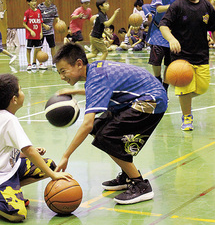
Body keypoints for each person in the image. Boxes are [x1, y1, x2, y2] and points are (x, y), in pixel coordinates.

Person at [53, 42, 167, 204]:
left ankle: (140, 185)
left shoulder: (96, 78)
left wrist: (66, 156)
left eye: (63, 71)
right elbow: (103, 88)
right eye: (59, 73)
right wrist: (74, 91)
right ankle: (128, 175)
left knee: (107, 136)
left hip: (151, 101)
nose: (62, 77)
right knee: (99, 128)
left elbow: (86, 124)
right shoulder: (96, 70)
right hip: (144, 96)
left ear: (79, 64)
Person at [0, 73, 72, 222]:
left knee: (50, 165)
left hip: (8, 167)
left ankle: (12, 193)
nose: (23, 92)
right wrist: (52, 175)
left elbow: (6, 151)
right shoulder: (8, 120)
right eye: (21, 90)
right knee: (17, 215)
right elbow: (29, 150)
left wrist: (24, 154)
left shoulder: (1, 115)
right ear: (14, 99)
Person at [160, 0, 215, 131]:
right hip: (181, 58)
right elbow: (164, 26)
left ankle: (183, 96)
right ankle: (186, 116)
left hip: (201, 55)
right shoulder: (177, 6)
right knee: (185, 88)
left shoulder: (207, 6)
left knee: (202, 87)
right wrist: (171, 39)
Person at [147, 0, 183, 93]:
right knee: (156, 59)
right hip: (158, 28)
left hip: (174, 31)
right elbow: (159, 8)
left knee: (170, 61)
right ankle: (157, 79)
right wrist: (175, 6)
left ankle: (164, 88)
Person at [38, 0, 60, 70]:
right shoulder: (40, 7)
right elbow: (37, 18)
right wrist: (43, 25)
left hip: (50, 31)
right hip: (41, 31)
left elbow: (56, 17)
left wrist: (59, 21)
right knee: (39, 47)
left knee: (53, 46)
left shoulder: (54, 7)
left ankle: (54, 62)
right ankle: (40, 63)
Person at [23, 0, 43, 71]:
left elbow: (40, 22)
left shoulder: (38, 11)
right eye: (32, 1)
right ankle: (29, 64)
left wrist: (41, 32)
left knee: (38, 49)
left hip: (37, 35)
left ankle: (39, 63)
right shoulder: (27, 12)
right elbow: (24, 24)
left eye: (35, 0)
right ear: (28, 3)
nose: (34, 2)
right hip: (30, 35)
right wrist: (30, 30)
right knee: (29, 49)